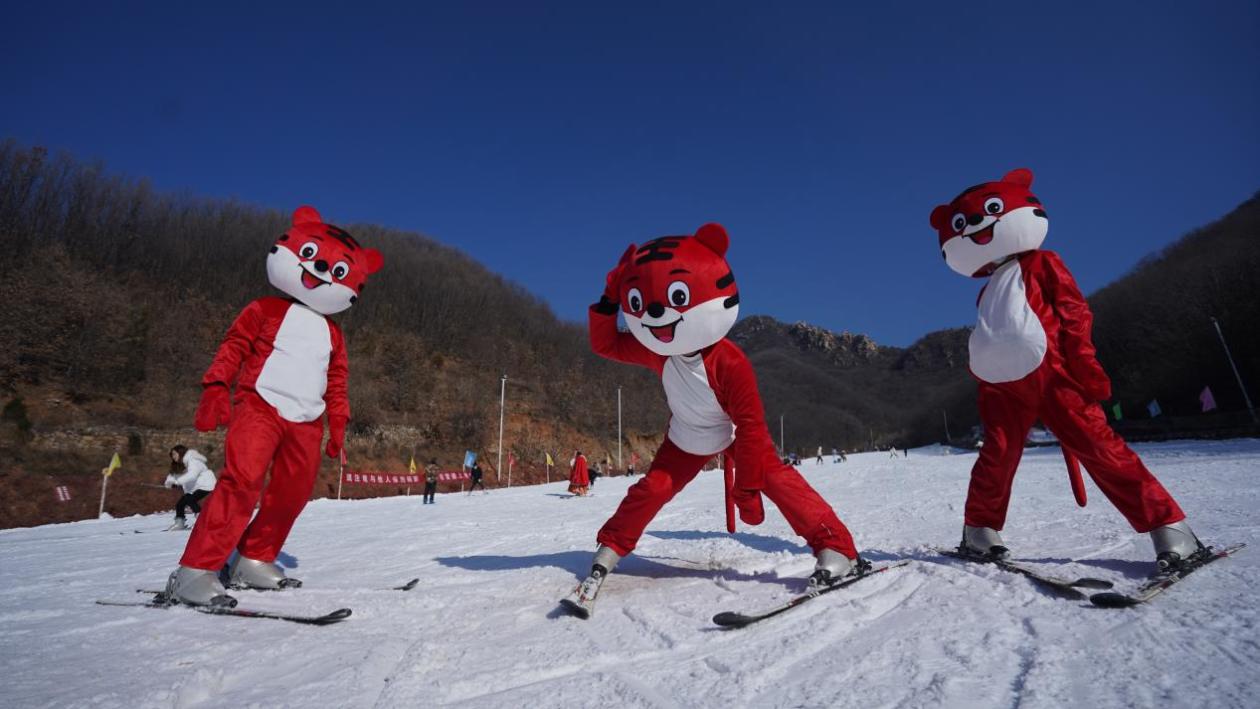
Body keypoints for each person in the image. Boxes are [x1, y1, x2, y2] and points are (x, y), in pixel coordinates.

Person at [564, 224, 863, 617]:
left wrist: (747, 489)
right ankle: (612, 546)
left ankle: (837, 548)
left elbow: (752, 426)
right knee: (652, 490)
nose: (658, 314)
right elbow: (605, 344)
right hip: (685, 438)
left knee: (778, 479)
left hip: (733, 433)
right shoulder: (660, 352)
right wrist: (608, 299)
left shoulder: (730, 362)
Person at [930, 168, 1200, 571]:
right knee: (997, 455)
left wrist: (1084, 362)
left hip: (1052, 373)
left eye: (986, 214)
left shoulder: (1042, 263)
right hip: (1000, 385)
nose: (976, 226)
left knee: (1098, 446)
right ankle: (980, 529)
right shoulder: (987, 290)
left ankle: (1170, 527)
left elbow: (1074, 313)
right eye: (963, 224)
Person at [164, 206, 384, 607]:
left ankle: (254, 557)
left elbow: (337, 381)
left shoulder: (334, 335)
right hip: (260, 406)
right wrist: (216, 384)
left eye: (336, 271)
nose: (319, 271)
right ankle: (194, 570)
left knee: (292, 493)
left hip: (307, 420)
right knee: (241, 482)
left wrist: (338, 423)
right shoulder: (265, 309)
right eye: (313, 257)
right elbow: (235, 346)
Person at [163, 445, 216, 531]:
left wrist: (177, 482)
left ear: (180, 453)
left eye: (175, 454)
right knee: (180, 504)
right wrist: (169, 483)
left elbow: (192, 475)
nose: (173, 456)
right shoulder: (180, 464)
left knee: (190, 500)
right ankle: (179, 523)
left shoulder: (193, 461)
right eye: (172, 455)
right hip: (194, 487)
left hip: (206, 484)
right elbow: (174, 475)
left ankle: (201, 521)